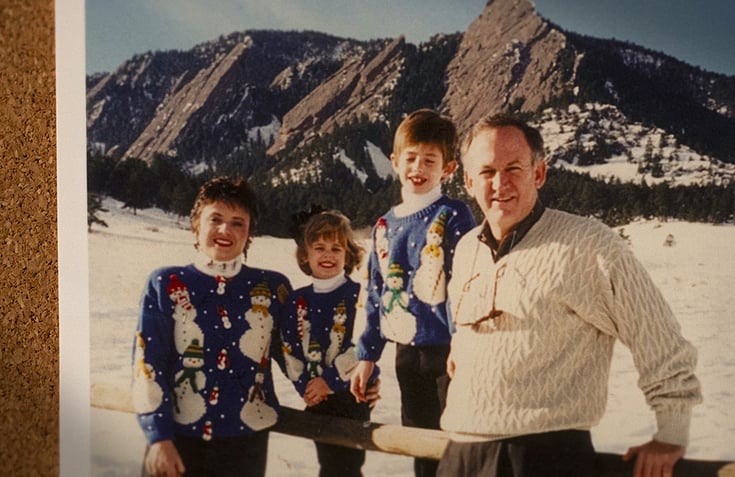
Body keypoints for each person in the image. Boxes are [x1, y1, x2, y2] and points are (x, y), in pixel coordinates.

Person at [438, 114, 703, 477]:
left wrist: (671, 432)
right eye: (486, 172)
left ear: (539, 173)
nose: (500, 183)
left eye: (514, 168)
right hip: (460, 455)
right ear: (468, 181)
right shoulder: (467, 249)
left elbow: (658, 337)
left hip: (545, 457)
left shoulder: (589, 244)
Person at [131, 176, 292, 477]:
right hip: (176, 441)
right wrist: (158, 437)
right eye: (215, 219)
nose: (225, 230)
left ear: (249, 233)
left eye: (237, 223)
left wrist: (353, 376)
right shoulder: (166, 284)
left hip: (244, 445)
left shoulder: (272, 288)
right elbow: (147, 363)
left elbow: (296, 356)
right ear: (196, 224)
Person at [350, 109, 476, 477]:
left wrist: (463, 344)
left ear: (448, 169)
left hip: (448, 352)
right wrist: (367, 355)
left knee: (457, 444)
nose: (418, 167)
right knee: (419, 443)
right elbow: (376, 293)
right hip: (406, 355)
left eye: (430, 160)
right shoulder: (385, 225)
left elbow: (464, 285)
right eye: (411, 158)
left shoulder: (453, 216)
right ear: (394, 161)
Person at [279, 209, 380, 477]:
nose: (328, 255)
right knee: (328, 465)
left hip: (351, 397)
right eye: (319, 247)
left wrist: (332, 381)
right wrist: (306, 387)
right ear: (305, 255)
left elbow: (364, 345)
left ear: (348, 255)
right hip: (316, 399)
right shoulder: (296, 301)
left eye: (336, 248)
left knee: (346, 467)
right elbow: (289, 348)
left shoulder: (358, 296)